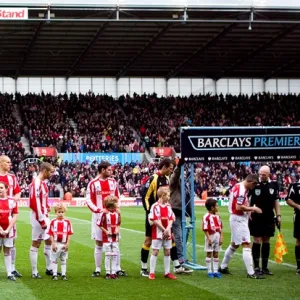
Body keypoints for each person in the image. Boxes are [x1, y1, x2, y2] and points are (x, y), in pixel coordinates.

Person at [218, 174, 265, 279]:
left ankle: (223, 267)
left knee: (234, 244)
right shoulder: (242, 190)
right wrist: (253, 209)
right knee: (246, 244)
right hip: (238, 219)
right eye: (254, 185)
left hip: (236, 218)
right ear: (251, 182)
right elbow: (238, 207)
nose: (253, 187)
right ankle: (251, 272)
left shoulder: (238, 186)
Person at [86, 161, 126, 277]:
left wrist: (117, 208)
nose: (111, 171)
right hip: (99, 217)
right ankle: (98, 269)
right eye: (109, 169)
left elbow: (118, 197)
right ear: (102, 170)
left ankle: (117, 268)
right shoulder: (93, 183)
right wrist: (99, 210)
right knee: (99, 242)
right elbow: (88, 200)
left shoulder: (113, 182)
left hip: (113, 217)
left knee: (115, 241)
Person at [140, 158, 178, 277]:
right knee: (148, 240)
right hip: (154, 215)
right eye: (170, 169)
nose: (171, 171)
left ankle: (175, 265)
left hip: (165, 215)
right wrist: (149, 212)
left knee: (170, 238)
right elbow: (145, 196)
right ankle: (144, 268)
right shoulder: (153, 178)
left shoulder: (166, 178)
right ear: (164, 167)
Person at [248, 165, 281, 275]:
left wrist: (278, 215)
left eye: (264, 174)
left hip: (269, 216)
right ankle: (256, 267)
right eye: (260, 174)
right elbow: (247, 200)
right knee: (257, 240)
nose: (261, 176)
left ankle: (265, 267)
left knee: (266, 240)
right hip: (256, 217)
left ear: (269, 175)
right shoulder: (254, 184)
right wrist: (249, 212)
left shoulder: (274, 185)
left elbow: (276, 201)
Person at [29, 162, 55, 279]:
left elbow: (42, 201)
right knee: (36, 243)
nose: (52, 174)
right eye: (51, 171)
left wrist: (47, 208)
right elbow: (35, 202)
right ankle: (34, 271)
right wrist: (41, 220)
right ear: (44, 171)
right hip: (38, 217)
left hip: (44, 215)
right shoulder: (37, 183)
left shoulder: (43, 183)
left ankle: (49, 268)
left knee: (49, 240)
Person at [169, 158, 193, 273]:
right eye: (181, 173)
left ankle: (178, 256)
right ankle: (180, 260)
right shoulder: (174, 183)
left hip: (182, 211)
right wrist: (178, 167)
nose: (183, 175)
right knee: (178, 236)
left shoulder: (185, 184)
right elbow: (175, 176)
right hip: (174, 210)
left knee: (182, 235)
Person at [0, 155, 22, 278]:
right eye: (8, 162)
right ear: (1, 163)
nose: (10, 164)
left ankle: (12, 269)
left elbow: (18, 192)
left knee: (12, 241)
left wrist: (13, 201)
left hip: (9, 213)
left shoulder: (12, 177)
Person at [148, 187, 176, 280]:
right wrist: (164, 229)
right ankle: (152, 272)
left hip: (167, 232)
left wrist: (168, 229)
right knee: (155, 251)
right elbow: (154, 220)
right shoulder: (155, 206)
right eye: (168, 195)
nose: (169, 197)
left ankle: (167, 272)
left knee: (167, 251)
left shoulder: (168, 206)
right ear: (163, 195)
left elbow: (172, 218)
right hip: (158, 232)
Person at [48, 202, 73, 281]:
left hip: (63, 244)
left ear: (64, 212)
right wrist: (53, 243)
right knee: (54, 259)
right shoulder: (53, 222)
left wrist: (67, 243)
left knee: (63, 259)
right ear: (55, 212)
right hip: (56, 243)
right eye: (59, 212)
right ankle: (54, 274)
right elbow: (50, 233)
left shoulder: (67, 222)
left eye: (62, 212)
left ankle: (63, 274)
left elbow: (69, 233)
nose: (61, 214)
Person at [97, 195, 121, 280]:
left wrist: (117, 229)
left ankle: (113, 272)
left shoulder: (117, 213)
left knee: (114, 254)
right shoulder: (103, 213)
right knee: (107, 254)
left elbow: (118, 223)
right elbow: (99, 224)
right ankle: (107, 272)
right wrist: (106, 231)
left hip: (115, 237)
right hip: (106, 238)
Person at [0, 181, 18, 281]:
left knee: (7, 251)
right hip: (0, 230)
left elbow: (15, 216)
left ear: (6, 189)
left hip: (9, 231)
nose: (0, 189)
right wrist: (1, 229)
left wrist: (7, 229)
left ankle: (9, 273)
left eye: (1, 187)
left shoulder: (12, 201)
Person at [202, 198, 223, 278]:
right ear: (212, 208)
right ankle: (209, 271)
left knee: (216, 253)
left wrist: (221, 237)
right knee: (209, 253)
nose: (218, 207)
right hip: (210, 236)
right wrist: (209, 238)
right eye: (217, 206)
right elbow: (205, 228)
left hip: (217, 235)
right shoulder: (206, 217)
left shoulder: (218, 216)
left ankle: (215, 271)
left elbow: (221, 228)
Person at [286, 172, 300, 274]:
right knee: (299, 240)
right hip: (299, 216)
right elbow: (288, 199)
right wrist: (298, 206)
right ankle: (299, 266)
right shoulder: (294, 186)